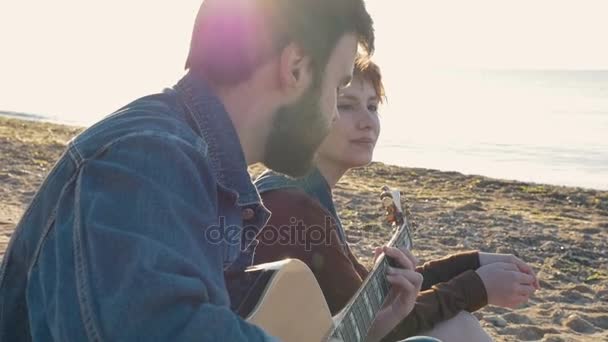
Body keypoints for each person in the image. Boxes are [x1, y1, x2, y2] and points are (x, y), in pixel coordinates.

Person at [0, 1, 383, 340]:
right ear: (296, 68)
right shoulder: (147, 156)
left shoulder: (197, 167)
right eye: (338, 86)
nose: (333, 112)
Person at [253, 56, 541, 342]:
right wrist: (478, 287)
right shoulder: (292, 208)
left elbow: (371, 299)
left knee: (456, 324)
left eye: (372, 107)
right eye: (346, 105)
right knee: (457, 326)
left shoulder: (300, 194)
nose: (367, 122)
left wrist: (473, 262)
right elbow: (372, 328)